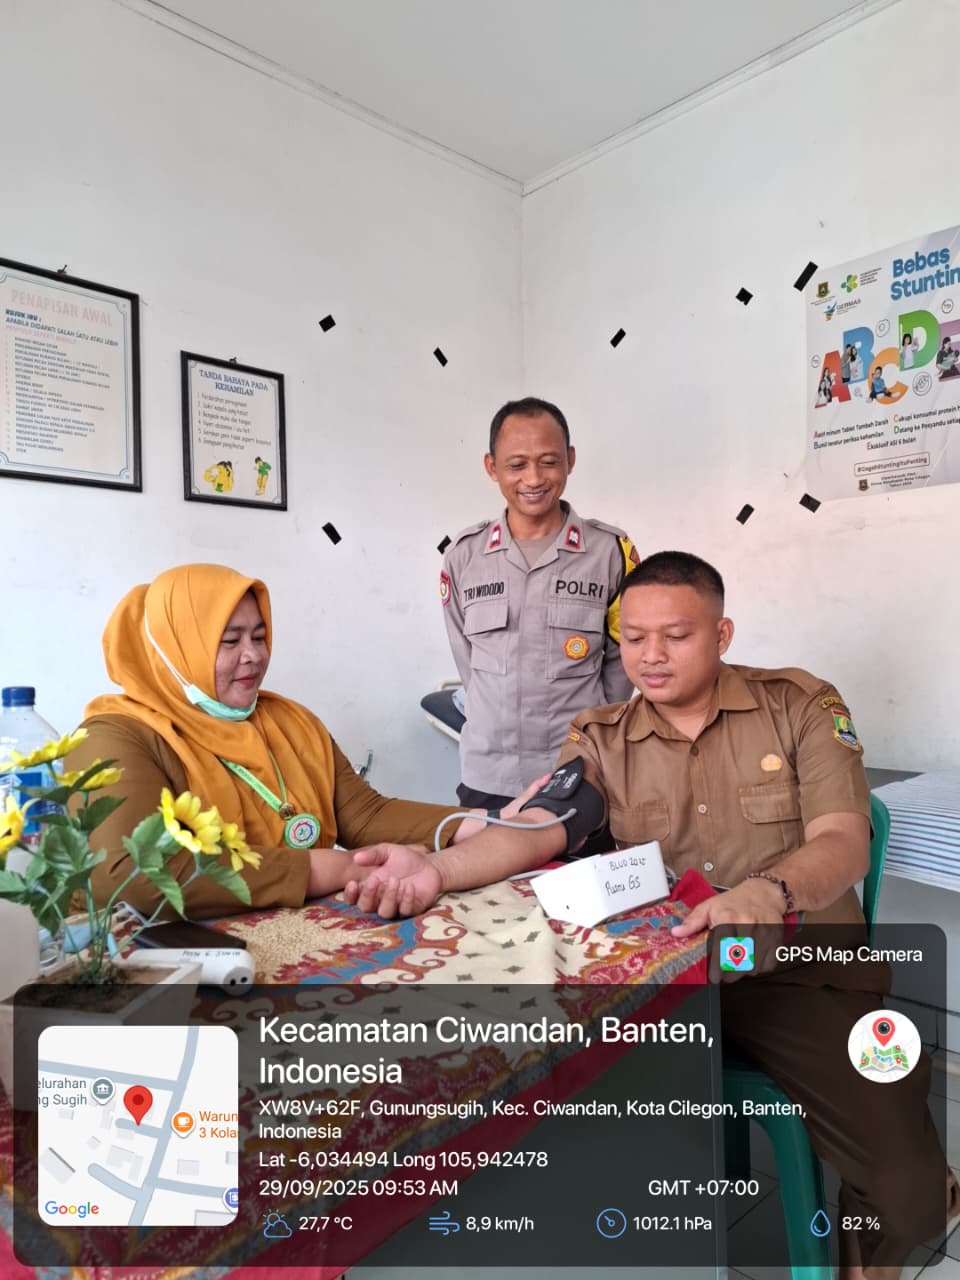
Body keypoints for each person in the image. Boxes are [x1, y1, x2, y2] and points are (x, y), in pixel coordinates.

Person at [347, 551, 957, 1276]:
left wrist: (769, 892)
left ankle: (879, 1238)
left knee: (909, 1196)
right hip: (661, 982)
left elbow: (844, 842)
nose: (651, 656)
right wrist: (438, 868)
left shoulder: (799, 705)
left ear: (722, 634)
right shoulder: (600, 736)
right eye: (633, 638)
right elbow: (539, 828)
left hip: (795, 978)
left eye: (676, 635)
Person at [70, 563, 535, 919]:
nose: (253, 656)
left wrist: (490, 822)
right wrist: (332, 868)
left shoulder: (289, 722)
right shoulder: (114, 738)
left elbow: (366, 815)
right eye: (229, 642)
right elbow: (127, 876)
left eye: (259, 636)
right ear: (174, 650)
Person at [441, 396, 638, 810]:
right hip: (488, 772)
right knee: (483, 855)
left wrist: (595, 737)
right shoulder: (464, 556)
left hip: (577, 767)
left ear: (570, 460)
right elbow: (467, 659)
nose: (533, 478)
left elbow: (623, 661)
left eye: (548, 462)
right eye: (516, 465)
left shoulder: (609, 553)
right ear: (491, 467)